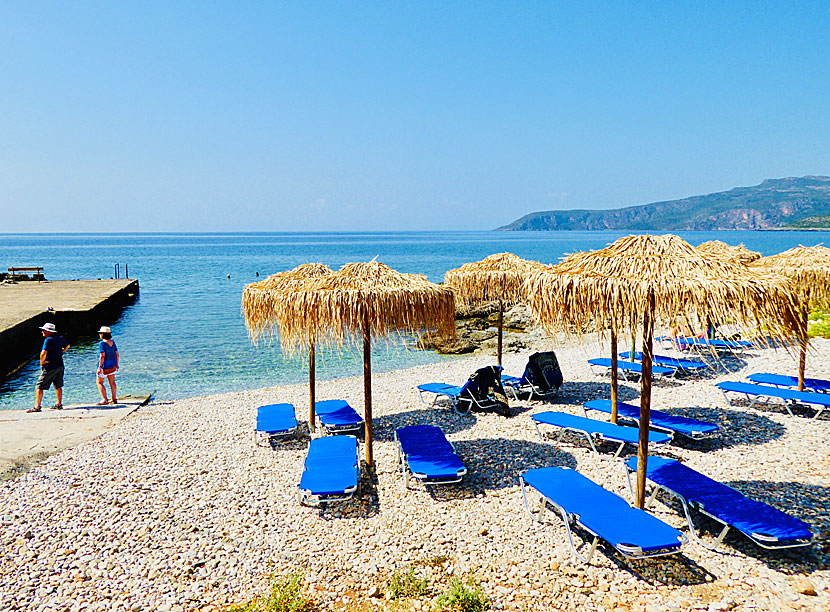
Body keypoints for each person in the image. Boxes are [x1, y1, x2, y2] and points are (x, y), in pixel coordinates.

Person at [28, 322, 70, 412]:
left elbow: (43, 352)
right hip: (60, 364)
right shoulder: (59, 338)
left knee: (39, 386)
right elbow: (68, 346)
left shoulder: (48, 340)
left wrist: (41, 362)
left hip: (50, 366)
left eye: (44, 330)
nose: (42, 332)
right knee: (58, 385)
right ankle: (59, 404)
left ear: (48, 331)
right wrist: (61, 352)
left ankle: (37, 406)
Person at [96, 326, 119, 405]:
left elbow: (102, 355)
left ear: (102, 334)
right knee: (112, 382)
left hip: (104, 366)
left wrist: (99, 367)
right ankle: (114, 398)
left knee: (99, 382)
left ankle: (104, 399)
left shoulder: (102, 344)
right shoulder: (112, 342)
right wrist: (117, 364)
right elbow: (117, 354)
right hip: (112, 365)